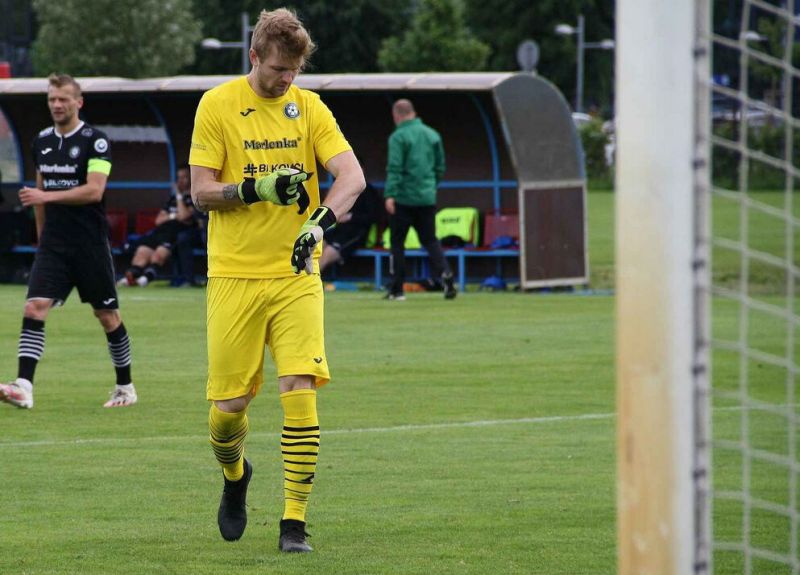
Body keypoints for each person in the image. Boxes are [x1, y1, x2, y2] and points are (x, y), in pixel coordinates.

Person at [189, 8, 365, 553]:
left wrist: (319, 222)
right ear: (254, 58)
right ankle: (236, 475)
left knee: (300, 388)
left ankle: (294, 523)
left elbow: (352, 176)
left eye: (293, 70)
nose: (285, 79)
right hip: (234, 276)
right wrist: (256, 190)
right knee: (229, 411)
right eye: (276, 70)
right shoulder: (217, 104)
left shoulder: (308, 107)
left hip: (295, 275)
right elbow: (200, 191)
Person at [0, 73, 137, 409]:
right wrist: (42, 240)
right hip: (54, 246)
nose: (57, 105)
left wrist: (46, 197)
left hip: (90, 244)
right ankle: (24, 386)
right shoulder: (41, 141)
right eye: (51, 99)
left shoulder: (96, 140)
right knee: (34, 307)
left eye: (63, 99)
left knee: (107, 316)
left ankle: (125, 387)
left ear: (78, 102)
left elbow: (94, 191)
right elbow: (38, 194)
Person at [384, 99, 456, 300]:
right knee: (430, 240)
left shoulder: (398, 137)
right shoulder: (432, 135)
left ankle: (397, 289)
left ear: (396, 115)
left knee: (397, 242)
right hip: (426, 197)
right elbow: (440, 167)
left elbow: (395, 168)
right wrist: (430, 186)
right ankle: (445, 274)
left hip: (403, 198)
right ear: (413, 112)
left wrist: (390, 194)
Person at [119, 164, 197, 287]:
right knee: (141, 252)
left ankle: (144, 280)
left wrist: (178, 196)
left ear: (191, 178)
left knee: (158, 254)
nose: (180, 181)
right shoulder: (171, 200)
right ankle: (131, 277)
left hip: (175, 234)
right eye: (179, 178)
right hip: (160, 232)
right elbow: (158, 220)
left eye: (184, 177)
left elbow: (184, 216)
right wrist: (174, 215)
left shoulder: (194, 198)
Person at [318, 181, 381, 272]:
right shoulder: (343, 187)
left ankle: (310, 282)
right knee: (318, 245)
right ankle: (306, 280)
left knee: (328, 252)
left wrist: (351, 217)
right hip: (340, 229)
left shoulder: (369, 191)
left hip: (357, 232)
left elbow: (373, 216)